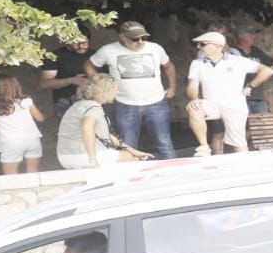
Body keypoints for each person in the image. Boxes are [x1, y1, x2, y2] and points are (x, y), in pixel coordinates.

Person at [88, 21, 176, 159]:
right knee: (128, 147)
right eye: (135, 39)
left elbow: (169, 66)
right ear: (122, 37)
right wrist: (103, 88)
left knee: (164, 143)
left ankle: (173, 175)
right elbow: (89, 66)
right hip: (125, 104)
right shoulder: (108, 50)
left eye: (143, 38)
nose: (140, 42)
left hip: (156, 102)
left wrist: (172, 87)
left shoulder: (155, 48)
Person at [186, 31, 273, 156]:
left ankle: (245, 168)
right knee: (194, 109)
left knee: (239, 146)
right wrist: (194, 99)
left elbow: (267, 71)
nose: (199, 47)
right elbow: (193, 85)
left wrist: (250, 86)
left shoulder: (237, 61)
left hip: (234, 106)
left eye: (203, 44)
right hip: (212, 105)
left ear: (218, 46)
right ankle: (204, 147)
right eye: (198, 44)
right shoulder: (197, 63)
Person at [57, 77, 151, 169]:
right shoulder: (93, 107)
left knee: (130, 155)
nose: (117, 93)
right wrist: (92, 158)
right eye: (115, 90)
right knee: (132, 159)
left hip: (65, 156)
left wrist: (133, 150)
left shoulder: (78, 105)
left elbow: (107, 136)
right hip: (82, 155)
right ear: (104, 91)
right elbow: (87, 129)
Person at [0, 73, 45, 174]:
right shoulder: (26, 101)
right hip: (33, 139)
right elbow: (40, 118)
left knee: (11, 177)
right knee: (33, 172)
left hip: (11, 141)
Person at [228, 25, 273, 115]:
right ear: (240, 36)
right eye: (250, 34)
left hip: (258, 98)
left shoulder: (256, 51)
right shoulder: (231, 53)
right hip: (240, 98)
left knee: (264, 125)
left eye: (254, 34)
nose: (254, 36)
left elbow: (272, 61)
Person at [39, 34, 94, 120]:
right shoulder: (54, 56)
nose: (80, 46)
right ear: (67, 42)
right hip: (66, 103)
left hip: (93, 102)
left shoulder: (96, 55)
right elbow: (44, 84)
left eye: (84, 42)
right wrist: (71, 80)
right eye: (76, 43)